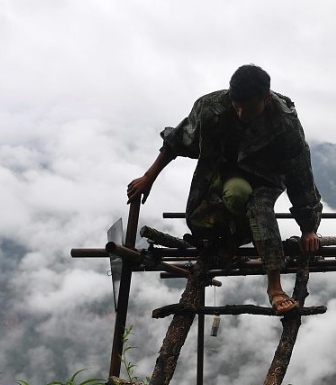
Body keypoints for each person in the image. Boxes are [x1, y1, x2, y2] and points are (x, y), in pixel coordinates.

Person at [127, 64, 322, 314]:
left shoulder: (284, 123)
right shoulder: (212, 107)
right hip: (223, 174)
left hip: (266, 177)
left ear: (266, 99)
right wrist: (148, 177)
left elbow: (300, 174)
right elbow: (177, 141)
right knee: (217, 210)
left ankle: (274, 287)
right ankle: (231, 238)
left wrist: (308, 228)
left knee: (259, 208)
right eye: (237, 106)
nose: (241, 113)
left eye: (249, 108)